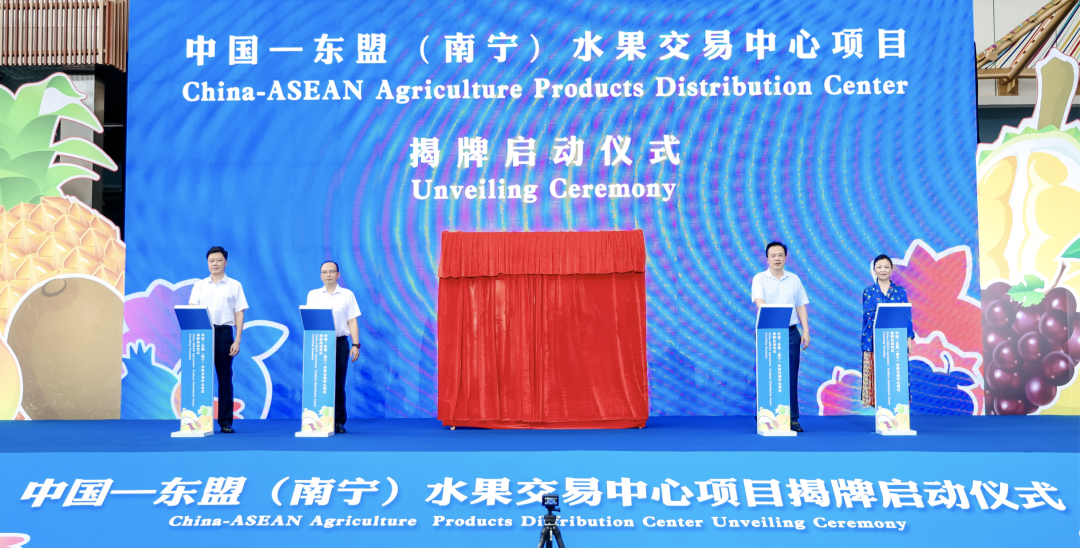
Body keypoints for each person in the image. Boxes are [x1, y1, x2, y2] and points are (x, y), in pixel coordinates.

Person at [188, 246, 248, 433]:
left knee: (224, 378)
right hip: (202, 334)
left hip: (224, 333)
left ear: (226, 262)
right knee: (199, 377)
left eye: (219, 260)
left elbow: (239, 313)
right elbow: (191, 307)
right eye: (211, 260)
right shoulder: (199, 285)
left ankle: (225, 422)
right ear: (207, 263)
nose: (215, 263)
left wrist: (237, 340)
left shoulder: (234, 285)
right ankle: (197, 419)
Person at [751, 241, 810, 432]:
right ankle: (765, 415)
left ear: (785, 257)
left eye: (780, 255)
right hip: (767, 331)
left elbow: (800, 305)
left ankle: (792, 418)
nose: (777, 258)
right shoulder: (759, 278)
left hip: (791, 331)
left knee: (791, 375)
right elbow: (759, 302)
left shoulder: (794, 279)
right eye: (773, 255)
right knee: (767, 374)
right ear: (767, 258)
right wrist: (774, 317)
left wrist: (805, 330)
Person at [306, 260, 361, 434]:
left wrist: (355, 344)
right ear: (320, 275)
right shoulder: (313, 295)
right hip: (318, 343)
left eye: (331, 271)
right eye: (324, 272)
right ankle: (318, 420)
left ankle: (338, 421)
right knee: (318, 383)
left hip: (340, 343)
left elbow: (352, 320)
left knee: (338, 383)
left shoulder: (347, 295)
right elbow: (310, 319)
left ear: (338, 274)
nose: (328, 275)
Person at [860, 254, 916, 407]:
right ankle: (881, 412)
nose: (883, 270)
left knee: (896, 378)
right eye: (879, 267)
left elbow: (906, 316)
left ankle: (896, 409)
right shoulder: (869, 291)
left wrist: (908, 338)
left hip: (896, 341)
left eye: (886, 267)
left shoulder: (900, 291)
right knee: (877, 380)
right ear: (874, 270)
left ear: (891, 270)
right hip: (873, 341)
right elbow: (869, 315)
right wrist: (891, 316)